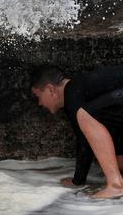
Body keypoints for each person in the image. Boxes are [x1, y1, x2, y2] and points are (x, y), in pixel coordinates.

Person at [31, 65, 123, 199]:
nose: (39, 103)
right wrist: (78, 180)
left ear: (50, 89)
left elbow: (83, 142)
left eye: (37, 96)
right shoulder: (80, 91)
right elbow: (86, 141)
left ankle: (116, 185)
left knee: (86, 114)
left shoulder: (72, 92)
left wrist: (77, 181)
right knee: (114, 159)